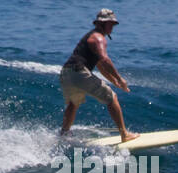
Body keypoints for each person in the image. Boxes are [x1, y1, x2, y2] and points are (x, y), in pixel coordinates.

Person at [59, 9, 138, 141]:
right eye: (110, 23)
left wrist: (114, 81)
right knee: (112, 98)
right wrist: (120, 79)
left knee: (73, 103)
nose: (112, 26)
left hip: (67, 73)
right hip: (78, 72)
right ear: (102, 24)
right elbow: (105, 60)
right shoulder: (98, 38)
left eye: (113, 24)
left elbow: (101, 66)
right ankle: (124, 134)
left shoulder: (90, 36)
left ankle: (64, 134)